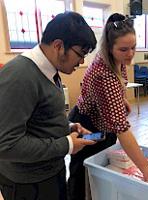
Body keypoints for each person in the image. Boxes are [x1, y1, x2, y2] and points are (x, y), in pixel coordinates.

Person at [0, 12, 97, 200]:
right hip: (28, 184)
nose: (82, 62)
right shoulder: (20, 76)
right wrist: (66, 144)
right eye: (80, 54)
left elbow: (37, 118)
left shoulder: (50, 69)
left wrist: (67, 127)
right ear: (59, 46)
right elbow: (6, 144)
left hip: (50, 174)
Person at [67, 13, 148, 200]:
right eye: (124, 49)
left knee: (104, 167)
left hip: (103, 126)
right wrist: (145, 168)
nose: (131, 54)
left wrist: (121, 101)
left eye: (134, 47)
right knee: (84, 171)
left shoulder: (119, 61)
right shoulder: (104, 74)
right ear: (110, 48)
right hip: (87, 127)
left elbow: (118, 87)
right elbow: (121, 128)